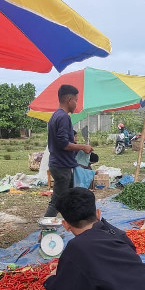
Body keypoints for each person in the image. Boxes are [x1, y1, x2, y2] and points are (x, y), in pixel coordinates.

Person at [45, 84, 92, 217]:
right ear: (69, 100)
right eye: (76, 100)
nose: (76, 104)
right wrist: (83, 147)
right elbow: (64, 144)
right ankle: (46, 230)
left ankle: (75, 222)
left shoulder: (55, 115)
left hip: (61, 164)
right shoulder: (64, 117)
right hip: (61, 166)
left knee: (72, 196)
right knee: (57, 201)